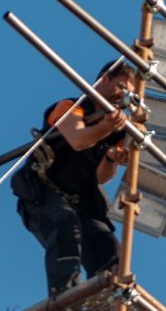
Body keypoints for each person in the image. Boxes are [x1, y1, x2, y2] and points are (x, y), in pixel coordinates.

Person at [12, 59, 135, 298]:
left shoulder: (119, 130)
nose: (123, 95)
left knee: (107, 246)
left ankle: (108, 303)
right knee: (65, 228)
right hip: (45, 193)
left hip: (81, 200)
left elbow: (101, 177)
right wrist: (107, 127)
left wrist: (111, 157)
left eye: (129, 91)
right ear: (104, 79)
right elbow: (78, 139)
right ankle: (65, 296)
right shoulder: (71, 106)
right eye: (121, 86)